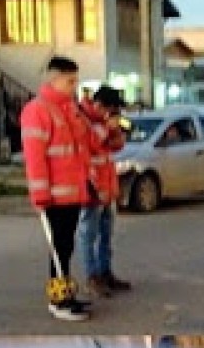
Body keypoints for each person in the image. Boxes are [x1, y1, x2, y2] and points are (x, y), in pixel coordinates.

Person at [20, 56, 96, 321]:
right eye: (70, 81)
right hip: (54, 196)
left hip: (72, 193)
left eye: (76, 80)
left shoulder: (70, 109)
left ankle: (66, 294)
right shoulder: (37, 110)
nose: (74, 86)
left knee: (65, 248)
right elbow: (35, 157)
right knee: (58, 249)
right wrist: (40, 193)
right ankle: (58, 301)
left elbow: (85, 145)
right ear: (54, 79)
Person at [77, 85, 131, 298]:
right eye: (111, 109)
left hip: (107, 185)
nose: (113, 114)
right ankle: (92, 277)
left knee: (106, 234)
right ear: (100, 106)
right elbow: (90, 143)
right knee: (88, 234)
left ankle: (105, 272)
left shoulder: (103, 122)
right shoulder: (82, 118)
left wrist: (115, 129)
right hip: (91, 185)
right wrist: (106, 128)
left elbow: (117, 146)